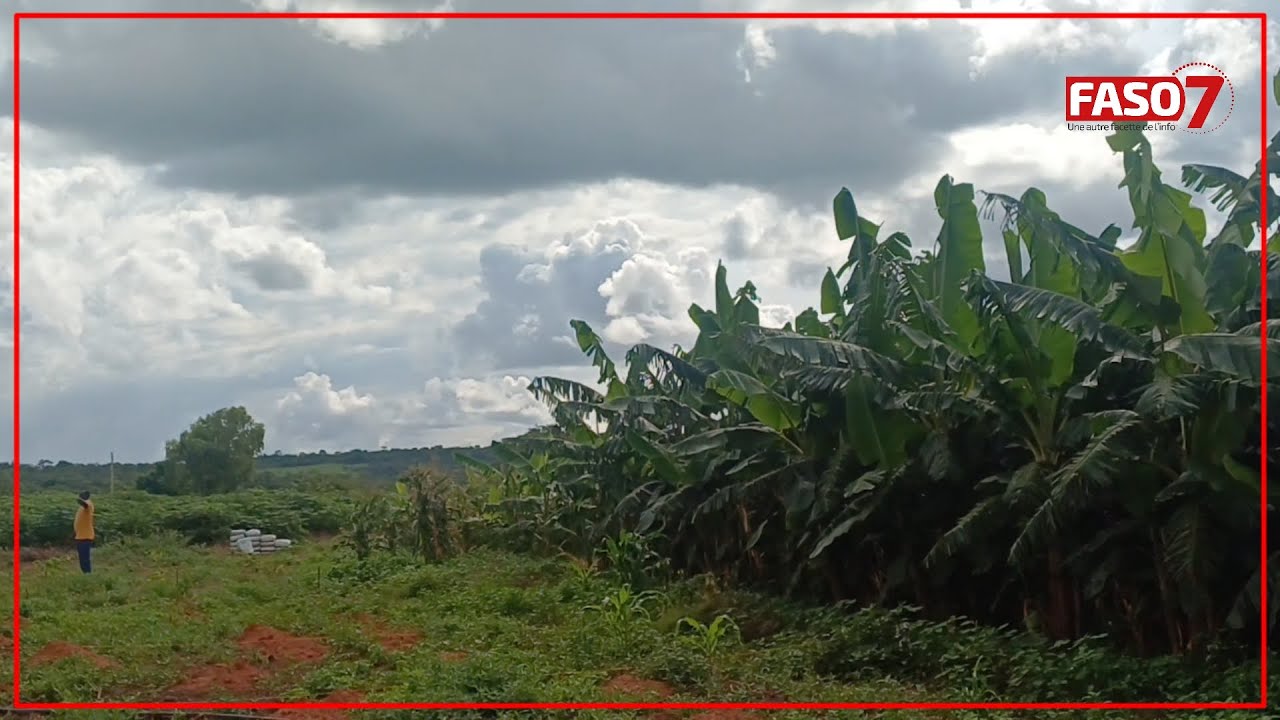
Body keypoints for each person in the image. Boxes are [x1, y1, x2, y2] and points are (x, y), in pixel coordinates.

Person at [74, 491, 94, 574]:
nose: (80, 496)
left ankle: (88, 574)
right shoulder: (81, 508)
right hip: (80, 536)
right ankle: (85, 574)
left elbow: (86, 505)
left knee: (85, 558)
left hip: (85, 537)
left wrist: (80, 500)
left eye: (82, 495)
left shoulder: (88, 504)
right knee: (82, 558)